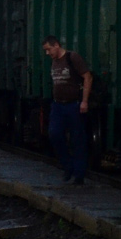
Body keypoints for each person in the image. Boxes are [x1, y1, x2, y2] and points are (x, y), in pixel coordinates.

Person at [42, 35, 93, 185]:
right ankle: (68, 166)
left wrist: (84, 101)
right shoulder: (54, 61)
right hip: (58, 105)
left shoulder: (72, 57)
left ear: (56, 45)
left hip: (73, 104)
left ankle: (78, 174)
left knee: (78, 139)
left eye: (48, 49)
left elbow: (87, 77)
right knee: (54, 134)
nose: (47, 53)